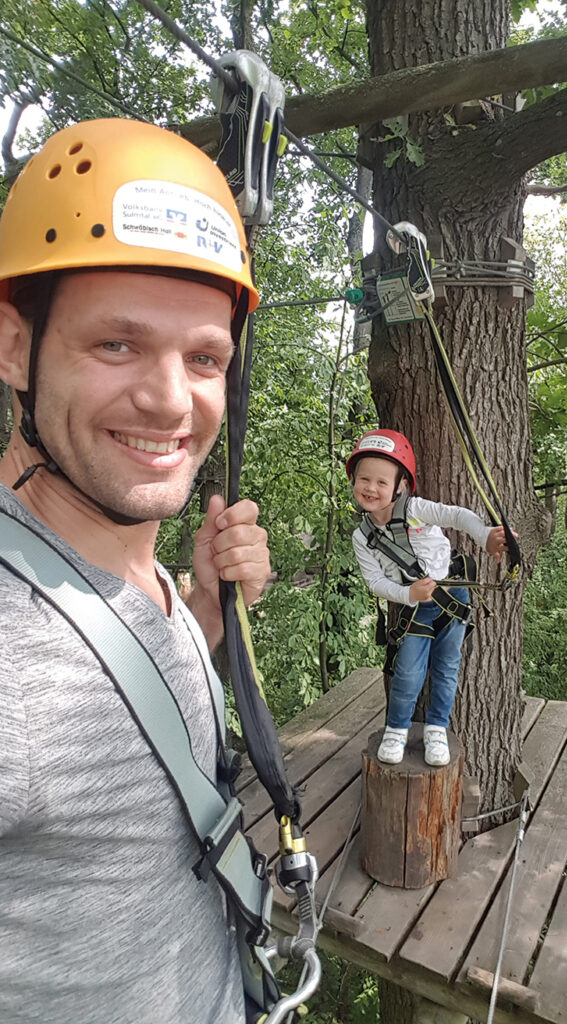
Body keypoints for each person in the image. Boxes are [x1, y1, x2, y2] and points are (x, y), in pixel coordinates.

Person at [0, 119, 272, 1024]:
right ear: (13, 348)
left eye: (205, 358)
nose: (169, 398)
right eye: (116, 343)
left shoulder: (122, 573)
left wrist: (202, 609)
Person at [346, 429, 509, 767]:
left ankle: (437, 727)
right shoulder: (363, 537)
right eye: (364, 479)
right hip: (416, 605)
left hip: (451, 597)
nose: (371, 488)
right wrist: (407, 593)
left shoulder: (418, 509)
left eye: (380, 482)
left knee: (446, 667)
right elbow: (375, 581)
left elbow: (458, 516)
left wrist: (486, 538)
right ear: (353, 481)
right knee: (407, 670)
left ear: (400, 485)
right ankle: (396, 729)